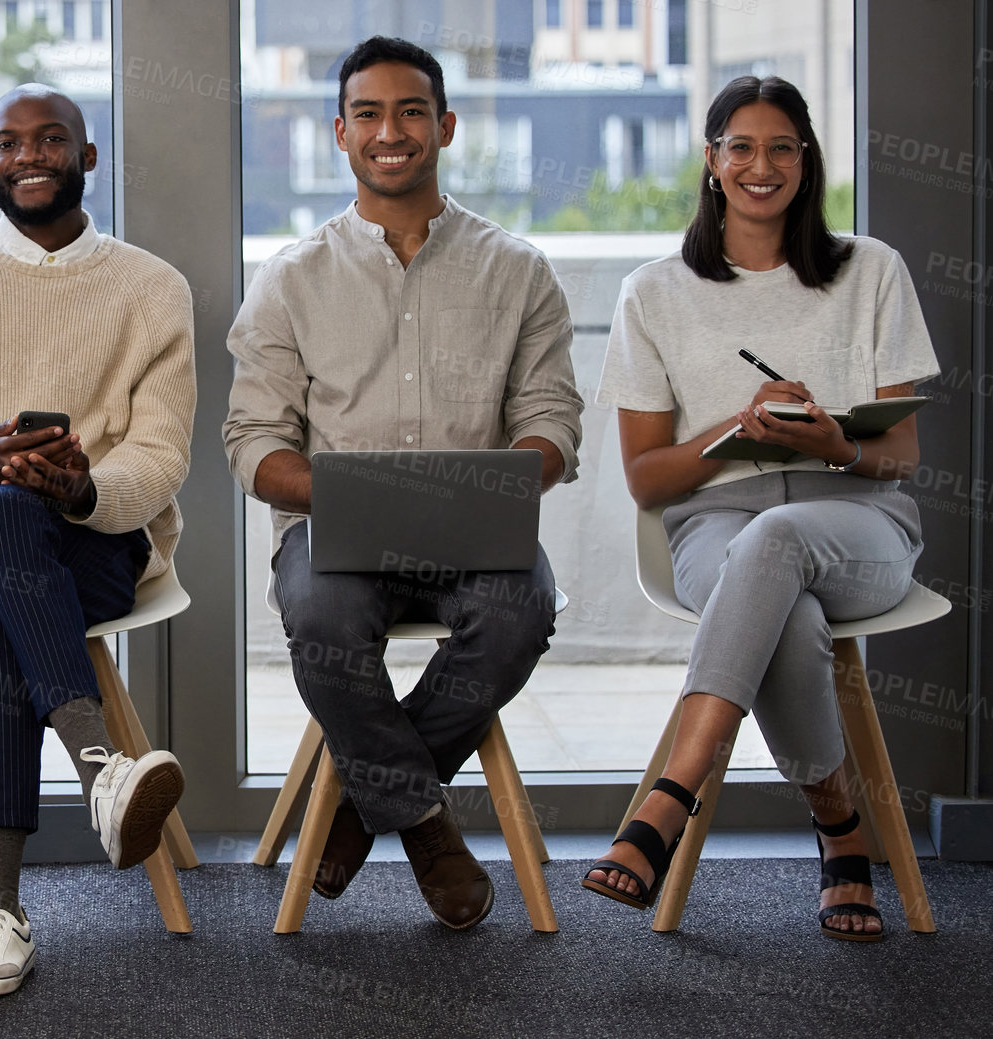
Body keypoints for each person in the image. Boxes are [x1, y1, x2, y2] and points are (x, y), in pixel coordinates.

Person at [222, 36, 583, 931]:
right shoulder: (290, 279)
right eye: (370, 115)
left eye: (411, 111)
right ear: (339, 133)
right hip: (334, 530)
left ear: (445, 126)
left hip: (475, 531)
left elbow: (553, 425)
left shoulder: (518, 270)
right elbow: (252, 445)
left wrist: (489, 482)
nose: (392, 131)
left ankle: (358, 798)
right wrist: (347, 497)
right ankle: (424, 824)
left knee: (517, 613)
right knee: (320, 615)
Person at [588, 76, 938, 941]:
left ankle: (669, 795)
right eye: (739, 147)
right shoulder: (653, 292)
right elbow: (646, 480)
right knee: (779, 594)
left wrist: (831, 446)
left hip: (857, 515)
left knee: (777, 538)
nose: (761, 165)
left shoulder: (871, 270)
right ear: (711, 163)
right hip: (713, 523)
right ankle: (839, 828)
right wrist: (733, 432)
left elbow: (901, 457)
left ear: (806, 160)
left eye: (782, 146)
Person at [0, 84, 196, 997]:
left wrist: (83, 485)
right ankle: (99, 765)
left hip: (94, 540)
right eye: (6, 143)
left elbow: (161, 456)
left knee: (3, 594)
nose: (27, 155)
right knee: (7, 516)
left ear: (85, 158)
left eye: (49, 139)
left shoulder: (151, 287)